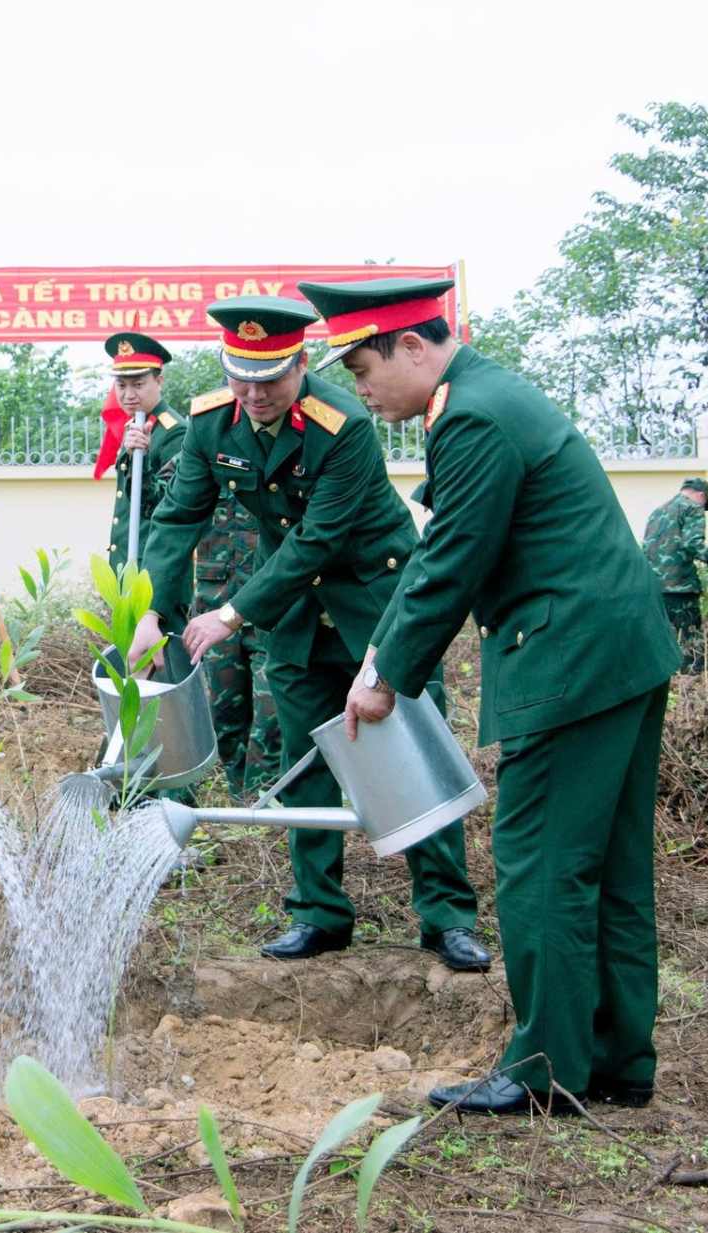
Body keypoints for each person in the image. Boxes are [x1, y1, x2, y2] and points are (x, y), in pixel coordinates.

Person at [315, 276, 682, 1115]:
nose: (360, 389)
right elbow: (445, 541)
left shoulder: (472, 416)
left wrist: (385, 680)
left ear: (412, 346)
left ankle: (544, 1069)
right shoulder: (486, 395)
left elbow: (455, 561)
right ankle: (620, 1057)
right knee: (612, 867)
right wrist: (380, 648)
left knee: (541, 864)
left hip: (571, 661)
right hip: (619, 650)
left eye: (364, 368)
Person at [130, 296, 486, 973]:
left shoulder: (343, 424)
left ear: (300, 364)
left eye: (272, 377)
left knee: (408, 749)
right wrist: (156, 612)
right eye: (242, 376)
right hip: (295, 613)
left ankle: (446, 917)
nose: (256, 393)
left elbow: (318, 541)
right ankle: (319, 913)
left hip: (372, 601)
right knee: (305, 764)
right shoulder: (211, 424)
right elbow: (177, 520)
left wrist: (231, 613)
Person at [194, 494, 283, 796]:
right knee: (224, 720)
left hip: (269, 611)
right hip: (214, 611)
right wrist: (131, 461)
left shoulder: (275, 458)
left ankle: (264, 811)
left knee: (271, 721)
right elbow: (157, 504)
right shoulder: (202, 457)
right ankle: (242, 806)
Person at [100, 331, 187, 566]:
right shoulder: (135, 426)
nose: (128, 395)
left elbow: (169, 505)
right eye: (121, 385)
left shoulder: (174, 431)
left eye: (138, 384)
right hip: (126, 558)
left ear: (159, 382)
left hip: (153, 563)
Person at [641, 477, 708, 673]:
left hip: (653, 589)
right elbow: (692, 544)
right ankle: (692, 693)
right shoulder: (693, 507)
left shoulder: (657, 512)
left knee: (662, 645)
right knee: (690, 646)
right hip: (680, 589)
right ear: (701, 495)